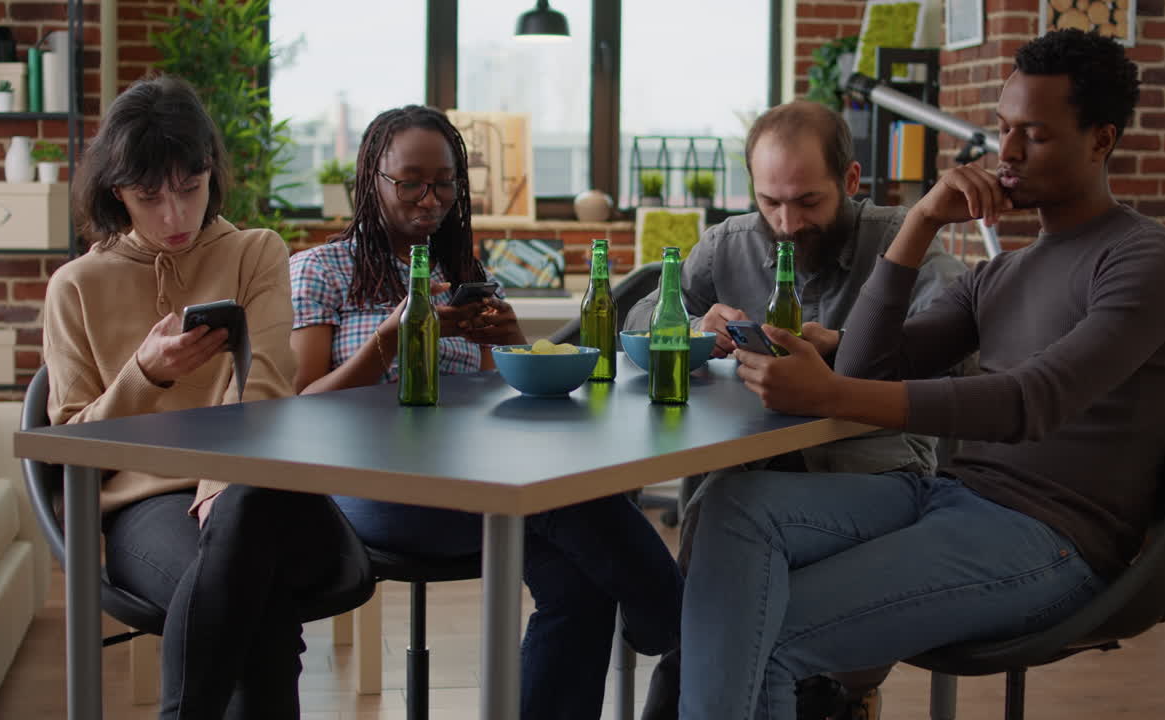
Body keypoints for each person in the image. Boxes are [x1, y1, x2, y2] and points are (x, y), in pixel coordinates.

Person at [679, 29, 1165, 720]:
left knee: (767, 632)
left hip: (1054, 539)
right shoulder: (999, 275)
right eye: (1003, 129)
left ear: (1100, 140)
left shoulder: (1149, 261)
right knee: (729, 509)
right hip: (951, 496)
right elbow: (865, 362)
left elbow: (1031, 401)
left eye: (1032, 135)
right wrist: (917, 223)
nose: (1004, 153)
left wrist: (830, 392)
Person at [288, 104, 684, 720]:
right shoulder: (320, 270)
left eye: (446, 183)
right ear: (371, 179)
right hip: (368, 488)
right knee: (571, 500)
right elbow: (300, 408)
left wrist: (510, 340)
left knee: (578, 578)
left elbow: (496, 399)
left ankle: (667, 623)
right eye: (412, 181)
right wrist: (390, 340)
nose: (431, 198)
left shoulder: (460, 274)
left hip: (475, 479)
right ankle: (674, 624)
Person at [42, 74, 372, 720]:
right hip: (146, 505)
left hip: (260, 490)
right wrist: (145, 374)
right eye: (149, 197)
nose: (174, 216)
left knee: (249, 500)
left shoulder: (254, 253)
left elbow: (268, 388)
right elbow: (69, 449)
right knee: (263, 617)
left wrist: (223, 483)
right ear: (117, 193)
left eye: (189, 190)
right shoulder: (75, 286)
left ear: (210, 177)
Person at [630, 101, 967, 720]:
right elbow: (636, 314)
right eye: (770, 202)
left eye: (808, 203)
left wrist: (846, 350)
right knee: (719, 587)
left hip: (873, 477)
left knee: (723, 607)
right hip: (749, 473)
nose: (785, 223)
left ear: (853, 180)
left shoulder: (899, 240)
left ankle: (825, 692)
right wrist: (691, 320)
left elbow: (963, 337)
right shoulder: (729, 243)